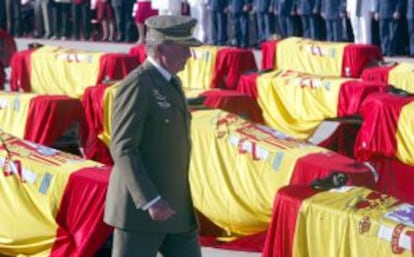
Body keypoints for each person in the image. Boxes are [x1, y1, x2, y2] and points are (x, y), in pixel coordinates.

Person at [104, 15, 202, 257]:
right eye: (184, 48)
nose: (189, 55)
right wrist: (150, 199)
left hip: (176, 206)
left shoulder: (171, 82)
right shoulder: (137, 85)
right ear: (161, 48)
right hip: (142, 212)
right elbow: (123, 147)